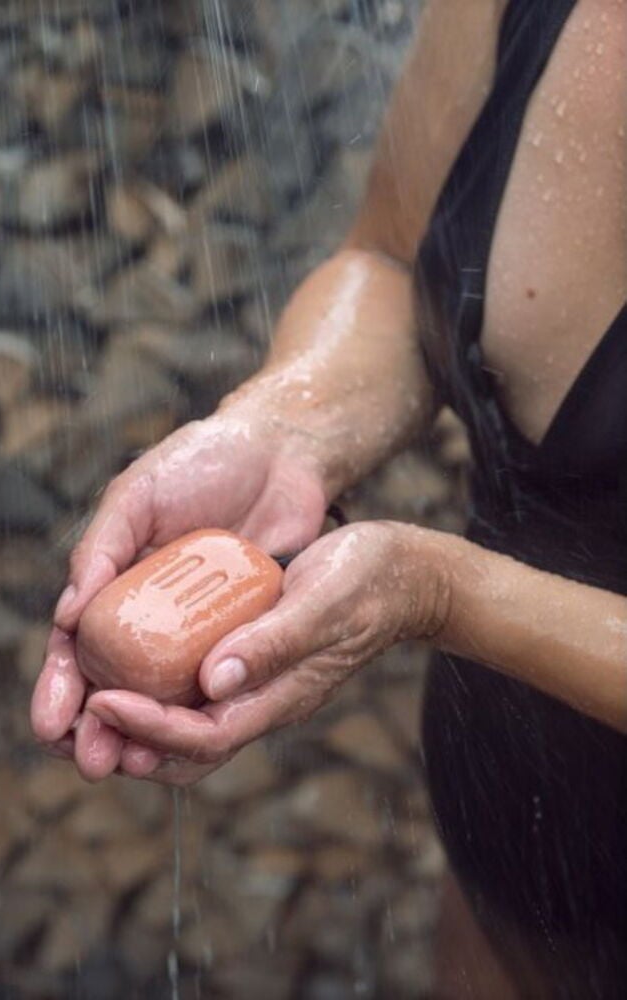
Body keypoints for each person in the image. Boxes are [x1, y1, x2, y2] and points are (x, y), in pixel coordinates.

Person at [31, 0, 627, 995]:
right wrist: (282, 430)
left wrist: (449, 596)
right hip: (514, 876)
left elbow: (444, 590)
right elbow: (394, 258)